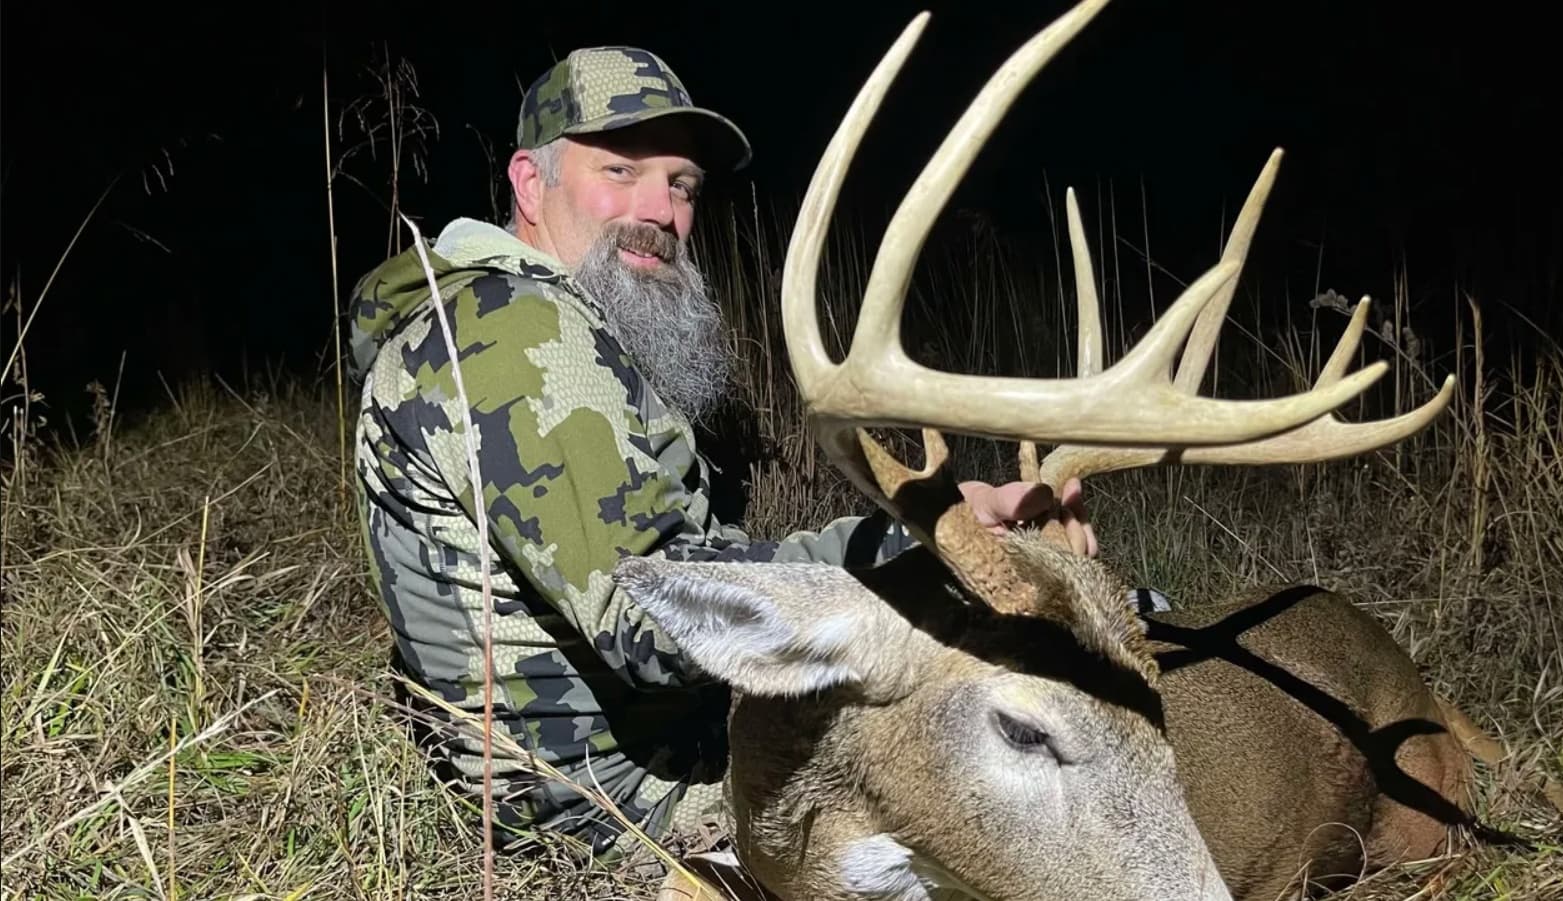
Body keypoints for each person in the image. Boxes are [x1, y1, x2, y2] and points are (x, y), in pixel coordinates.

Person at [346, 45, 1101, 862]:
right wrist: (921, 566)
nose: (660, 211)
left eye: (681, 185)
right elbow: (660, 616)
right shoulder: (517, 332)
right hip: (611, 813)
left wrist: (931, 531)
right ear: (532, 184)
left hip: (648, 756)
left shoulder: (529, 321)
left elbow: (696, 563)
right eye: (622, 171)